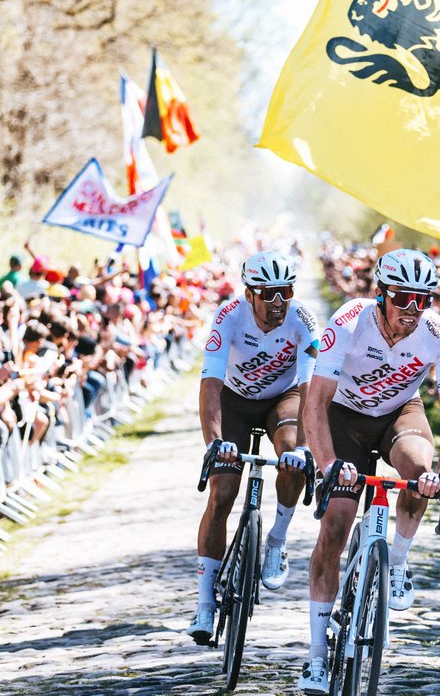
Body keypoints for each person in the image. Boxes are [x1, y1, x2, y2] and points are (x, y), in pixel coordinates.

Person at [299, 249, 440, 694]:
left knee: (419, 470)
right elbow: (314, 405)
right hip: (344, 417)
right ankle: (316, 656)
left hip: (399, 413)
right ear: (380, 294)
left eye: (422, 300)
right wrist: (328, 465)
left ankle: (397, 562)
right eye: (403, 297)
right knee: (335, 526)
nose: (412, 309)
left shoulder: (438, 334)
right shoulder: (349, 321)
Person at [188, 251, 319, 644]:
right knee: (223, 493)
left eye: (286, 292)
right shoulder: (228, 317)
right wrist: (215, 442)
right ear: (249, 294)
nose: (279, 302)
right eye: (269, 293)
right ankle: (205, 601)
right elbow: (210, 385)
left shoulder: (303, 319)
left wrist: (305, 448)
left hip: (282, 400)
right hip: (235, 401)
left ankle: (277, 539)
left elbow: (310, 389)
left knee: (293, 457)